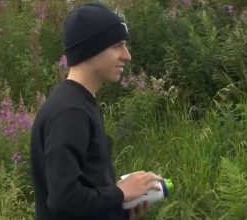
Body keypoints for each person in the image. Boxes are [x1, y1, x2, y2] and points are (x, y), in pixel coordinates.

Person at [30, 3, 162, 220]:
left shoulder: (79, 102)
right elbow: (64, 200)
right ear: (91, 48)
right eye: (117, 45)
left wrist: (122, 207)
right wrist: (120, 192)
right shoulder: (69, 112)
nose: (126, 55)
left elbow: (84, 195)